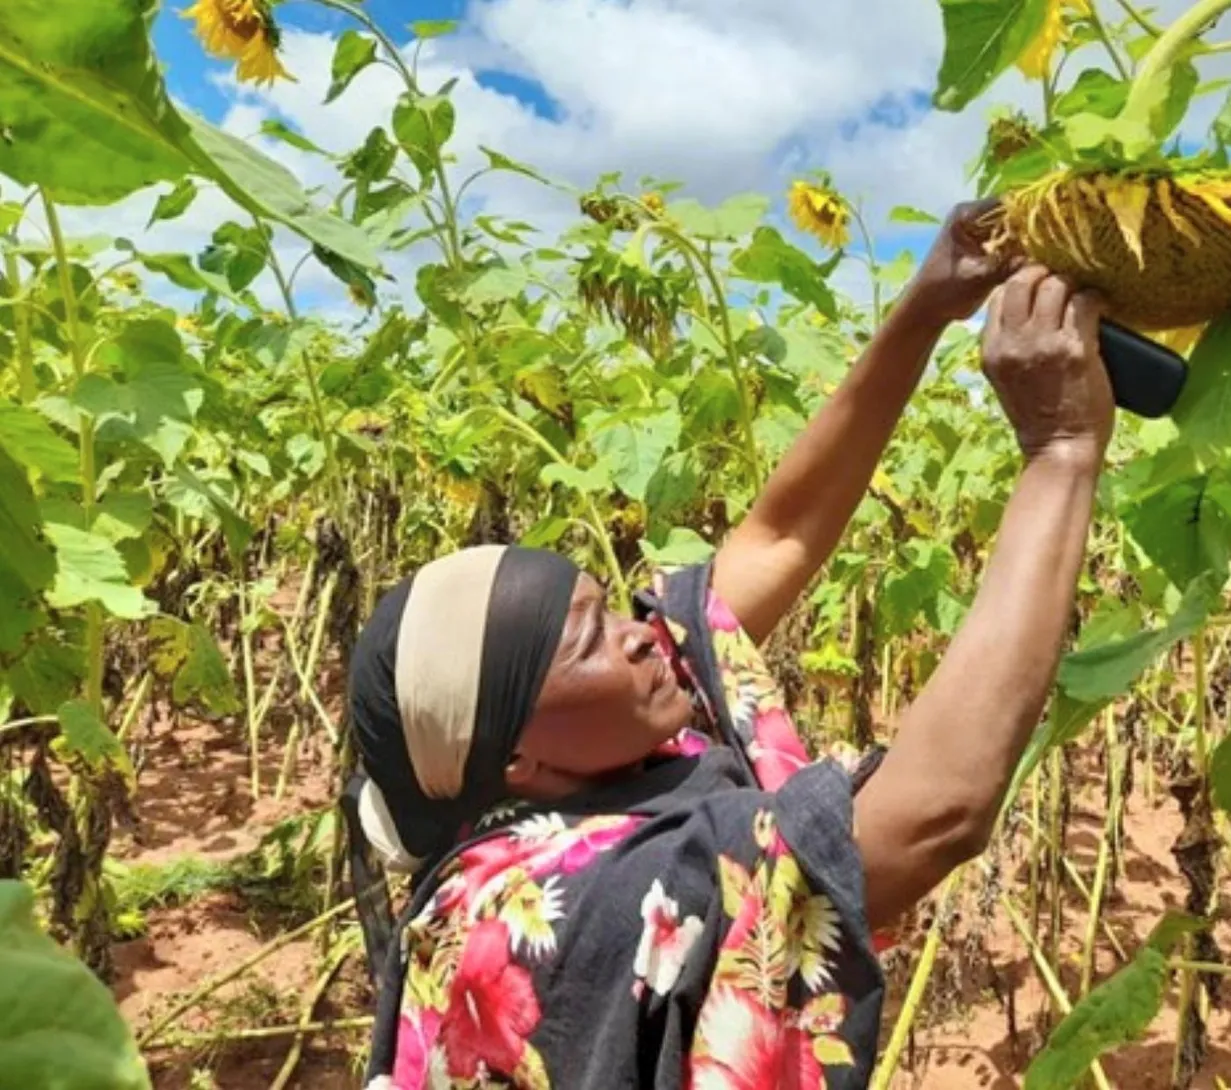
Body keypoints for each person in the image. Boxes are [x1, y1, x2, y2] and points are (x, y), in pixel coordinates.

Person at [343, 199, 1115, 1089]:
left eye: (610, 605)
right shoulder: (553, 909)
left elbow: (778, 538)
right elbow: (939, 810)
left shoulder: (590, 746)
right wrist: (1060, 449)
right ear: (514, 753)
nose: (642, 639)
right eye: (592, 638)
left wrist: (926, 307)